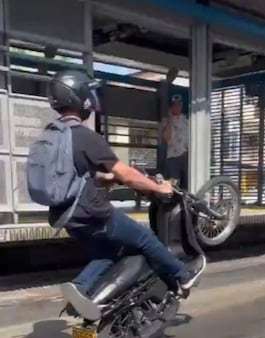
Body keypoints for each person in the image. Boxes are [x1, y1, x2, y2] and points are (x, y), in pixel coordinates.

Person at [43, 70, 205, 306]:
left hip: (63, 216)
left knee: (108, 253)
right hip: (91, 213)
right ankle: (183, 276)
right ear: (79, 97)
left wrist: (107, 179)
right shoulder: (83, 136)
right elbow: (127, 174)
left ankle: (79, 289)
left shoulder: (51, 136)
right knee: (146, 238)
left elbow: (73, 174)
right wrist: (158, 189)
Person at [160, 94, 190, 190]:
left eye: (179, 105)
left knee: (187, 182)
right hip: (173, 156)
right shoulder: (165, 121)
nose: (177, 107)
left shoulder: (186, 120)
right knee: (174, 183)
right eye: (175, 105)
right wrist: (169, 119)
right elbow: (167, 137)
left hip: (185, 154)